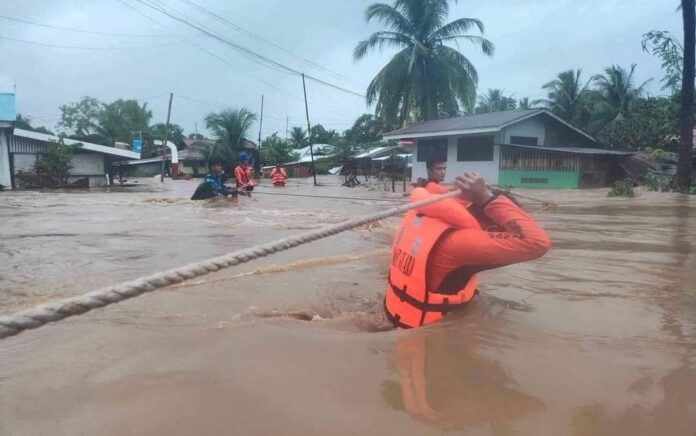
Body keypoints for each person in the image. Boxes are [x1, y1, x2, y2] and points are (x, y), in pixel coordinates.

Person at [384, 171, 551, 329]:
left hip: (396, 316)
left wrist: (480, 194)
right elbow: (536, 242)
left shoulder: (429, 219)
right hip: (432, 336)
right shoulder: (460, 244)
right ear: (492, 227)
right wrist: (486, 198)